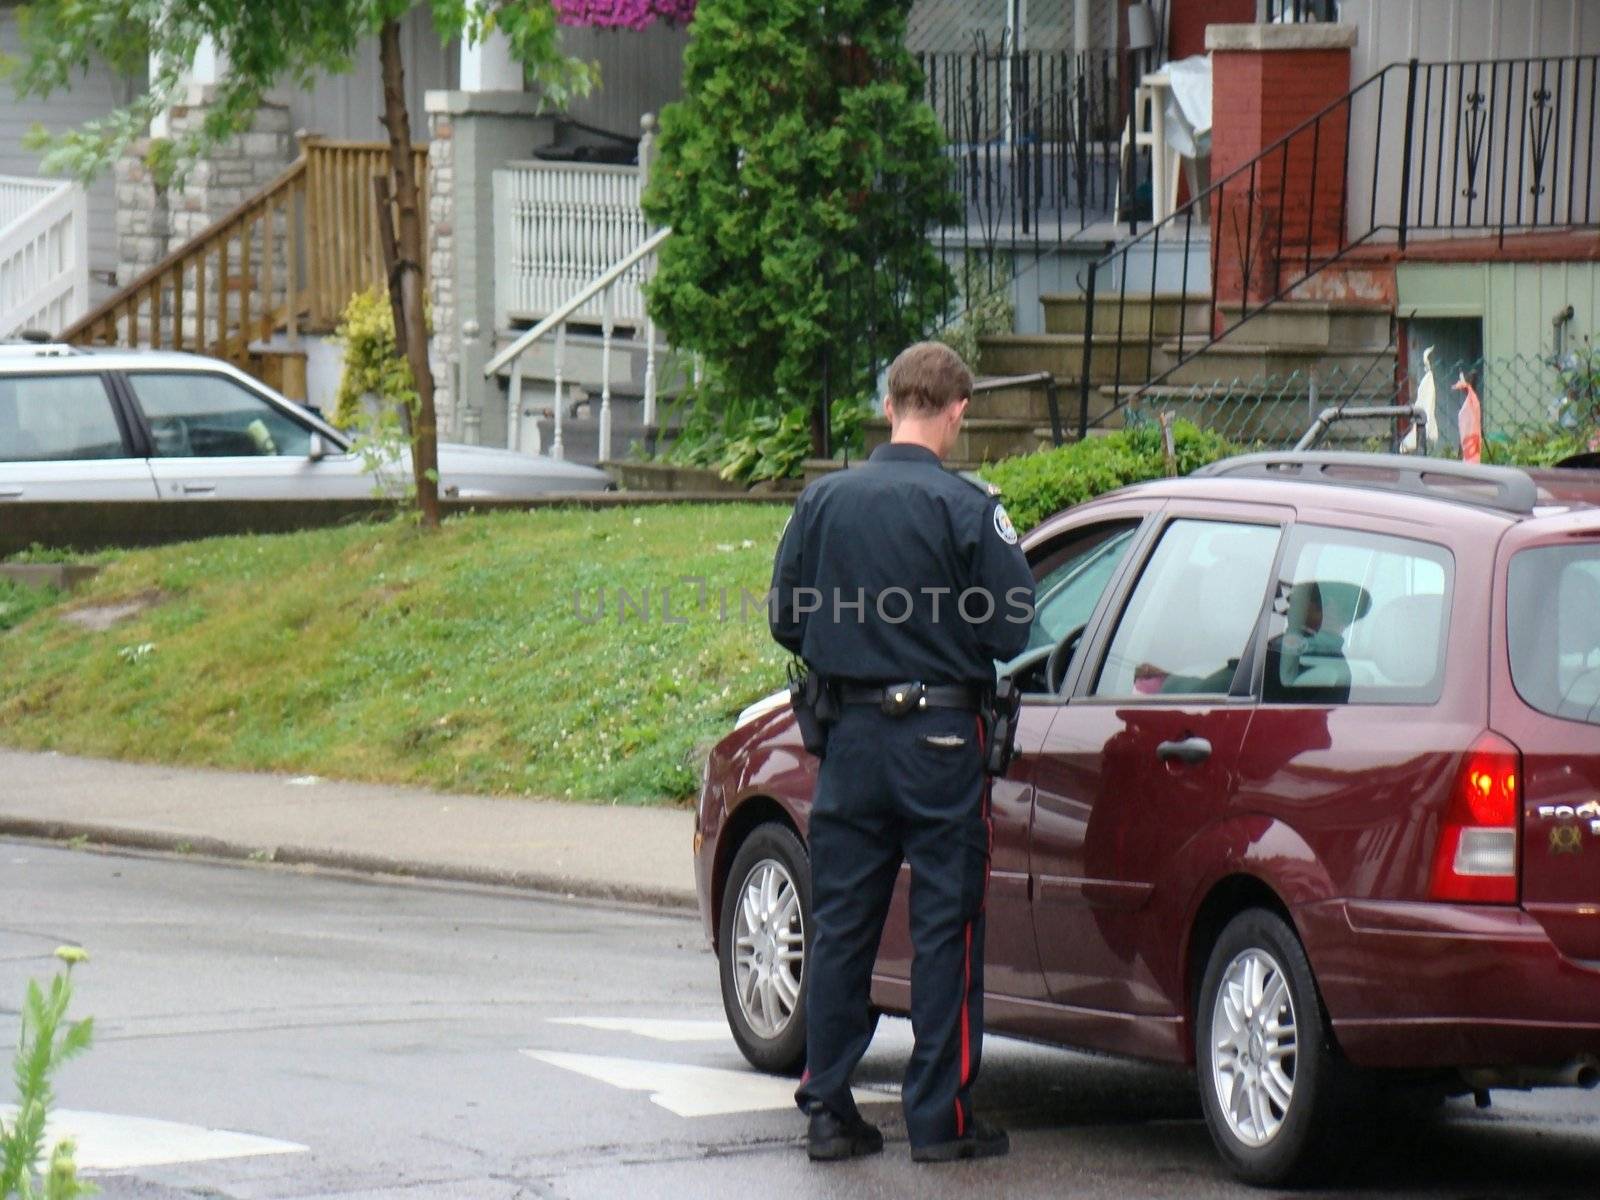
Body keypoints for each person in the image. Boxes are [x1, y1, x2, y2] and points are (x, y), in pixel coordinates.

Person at [768, 341, 1036, 1164]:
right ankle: (937, 1118)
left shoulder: (824, 502)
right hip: (942, 742)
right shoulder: (967, 507)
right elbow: (1012, 627)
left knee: (843, 924)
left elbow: (784, 616)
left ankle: (828, 1110)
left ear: (890, 406)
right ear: (957, 413)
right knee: (944, 924)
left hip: (848, 742)